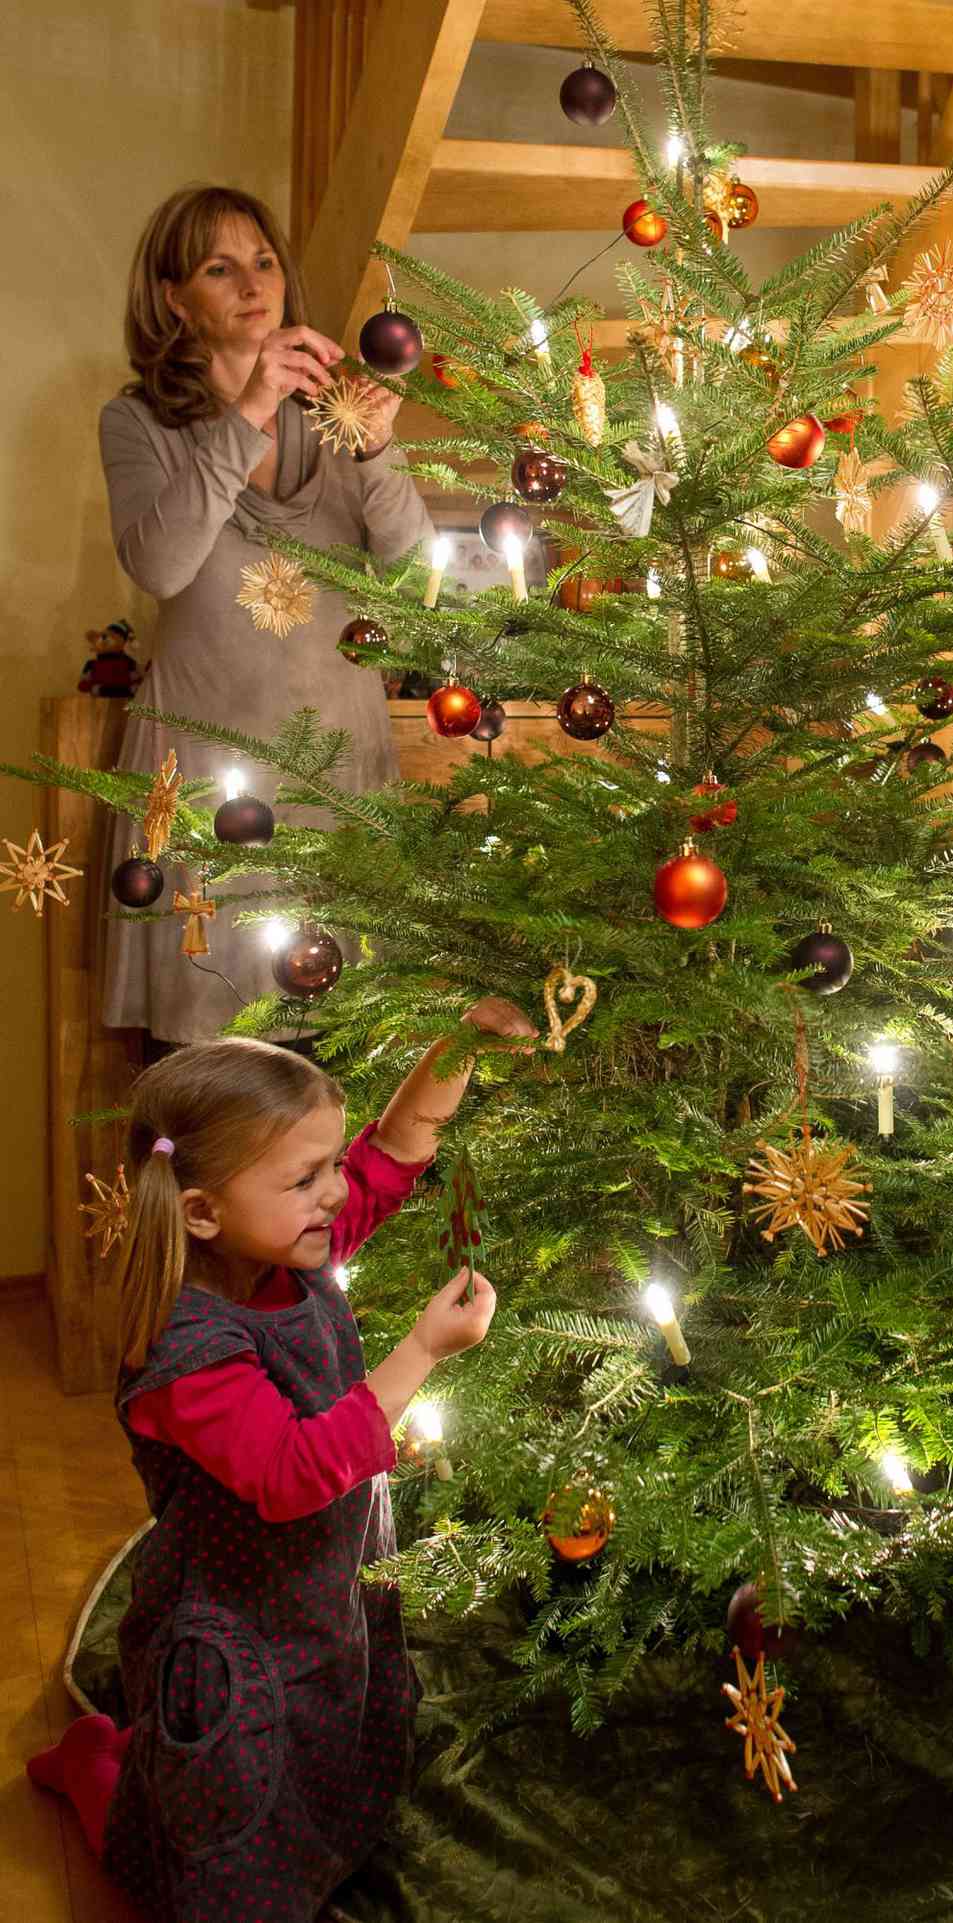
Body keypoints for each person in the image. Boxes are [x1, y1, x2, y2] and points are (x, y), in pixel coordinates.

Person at [26, 995, 537, 1922]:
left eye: (328, 1166)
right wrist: (419, 1351)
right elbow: (292, 1471)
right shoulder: (188, 1349)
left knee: (318, 1765)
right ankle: (95, 1764)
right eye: (307, 1179)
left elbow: (394, 1152)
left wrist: (456, 1042)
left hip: (318, 1596)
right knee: (202, 1861)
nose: (337, 1194)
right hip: (236, 1630)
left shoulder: (289, 1247)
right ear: (203, 1210)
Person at [100, 184, 431, 1044]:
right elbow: (161, 565)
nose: (254, 283)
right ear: (175, 300)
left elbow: (413, 580)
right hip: (209, 785)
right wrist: (248, 411)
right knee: (208, 1080)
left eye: (264, 261)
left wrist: (381, 452)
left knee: (343, 1069)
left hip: (338, 776)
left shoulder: (338, 415)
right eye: (220, 268)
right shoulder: (135, 421)